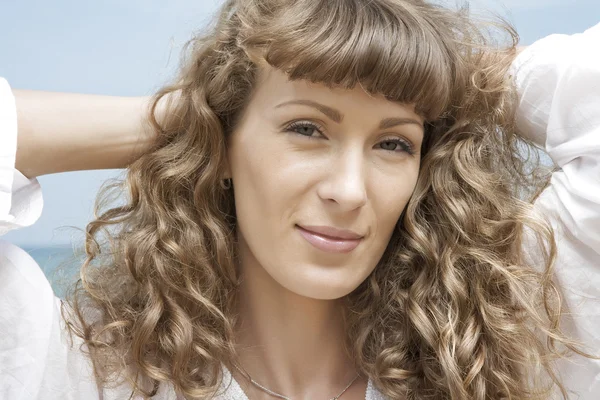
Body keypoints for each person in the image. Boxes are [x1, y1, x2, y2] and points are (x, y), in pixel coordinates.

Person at [1, 0, 599, 399]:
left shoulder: (507, 348)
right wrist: (191, 120)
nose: (348, 190)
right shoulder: (83, 374)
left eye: (393, 142)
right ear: (222, 146)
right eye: (307, 130)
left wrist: (435, 74)